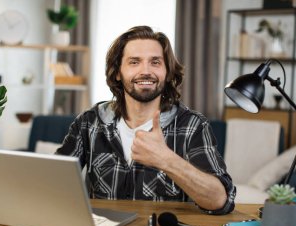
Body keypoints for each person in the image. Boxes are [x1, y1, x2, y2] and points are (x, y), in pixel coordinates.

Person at [56, 26, 236, 215]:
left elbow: (220, 201)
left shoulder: (193, 126)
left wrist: (167, 160)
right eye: (134, 62)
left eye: (155, 62)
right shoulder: (89, 122)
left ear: (167, 72)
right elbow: (53, 179)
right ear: (118, 72)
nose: (146, 71)